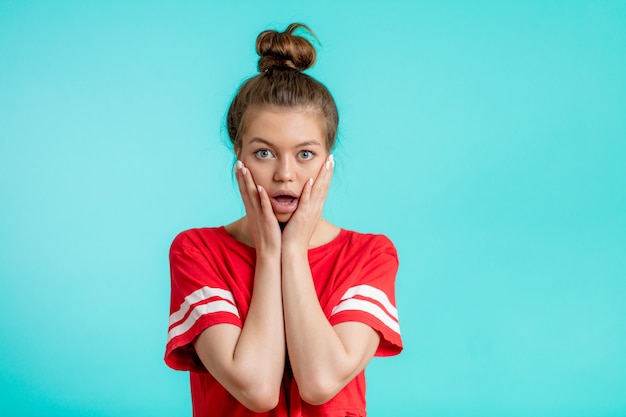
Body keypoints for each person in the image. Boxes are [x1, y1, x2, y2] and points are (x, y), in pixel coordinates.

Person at [164, 23, 403, 417]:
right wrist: (270, 251)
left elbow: (320, 382)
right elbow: (257, 389)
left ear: (328, 160)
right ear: (238, 154)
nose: (285, 175)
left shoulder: (370, 255)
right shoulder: (197, 251)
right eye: (264, 153)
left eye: (305, 154)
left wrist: (291, 251)